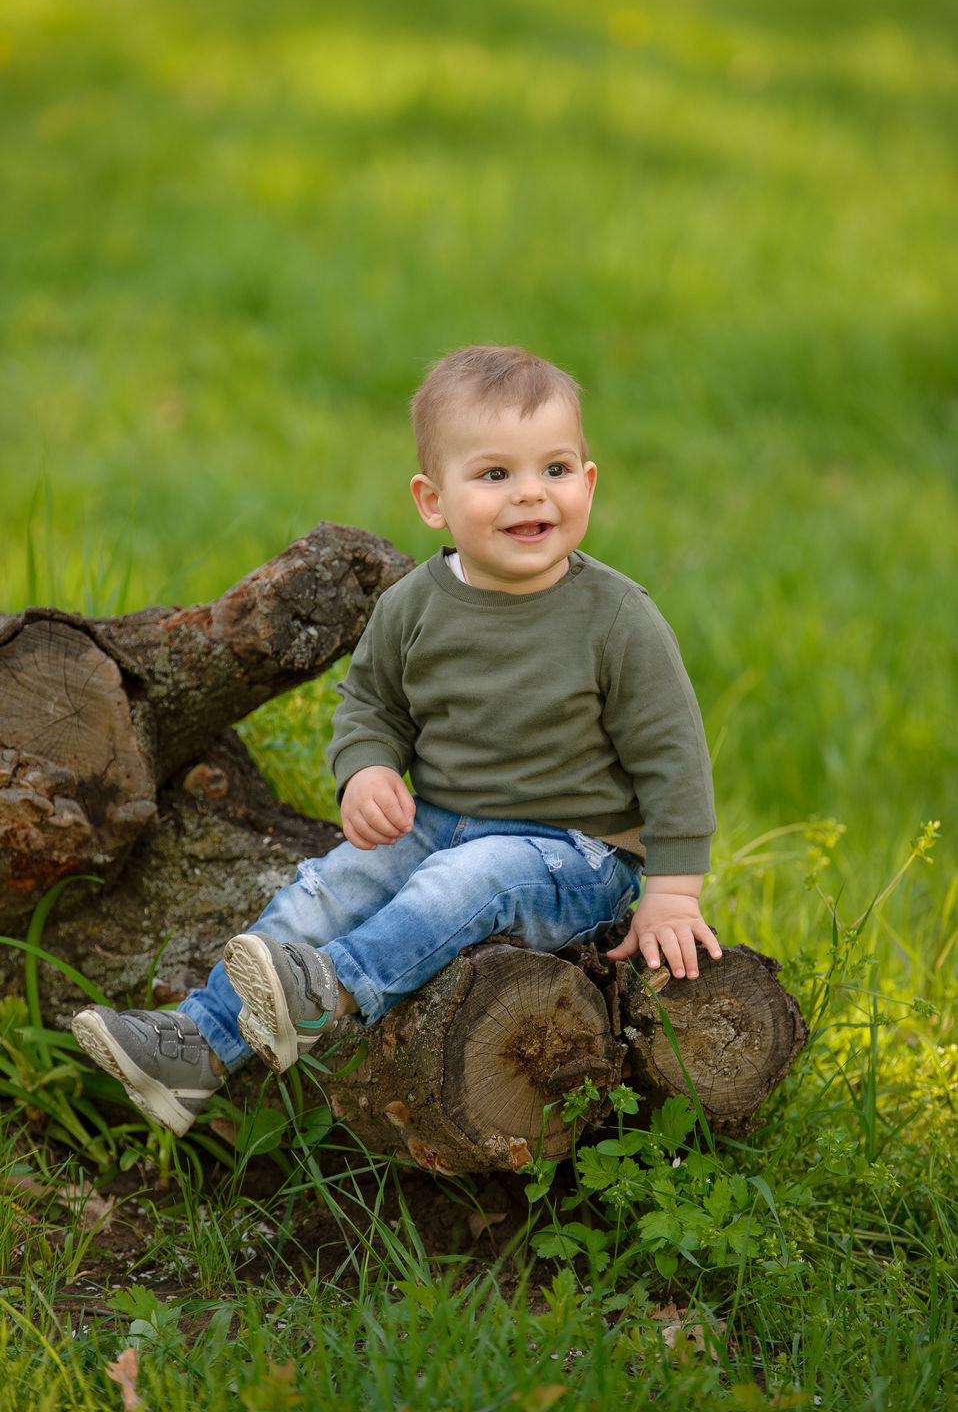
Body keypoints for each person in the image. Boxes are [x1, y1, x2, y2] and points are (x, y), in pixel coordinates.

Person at [72, 345, 719, 1137]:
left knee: (471, 881)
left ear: (587, 482)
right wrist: (368, 770)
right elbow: (372, 706)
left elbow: (674, 755)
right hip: (441, 819)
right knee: (328, 886)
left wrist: (674, 890)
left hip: (571, 858)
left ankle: (331, 991)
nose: (530, 495)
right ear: (432, 499)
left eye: (554, 469)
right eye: (494, 476)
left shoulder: (617, 617)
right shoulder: (416, 605)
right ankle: (193, 1048)